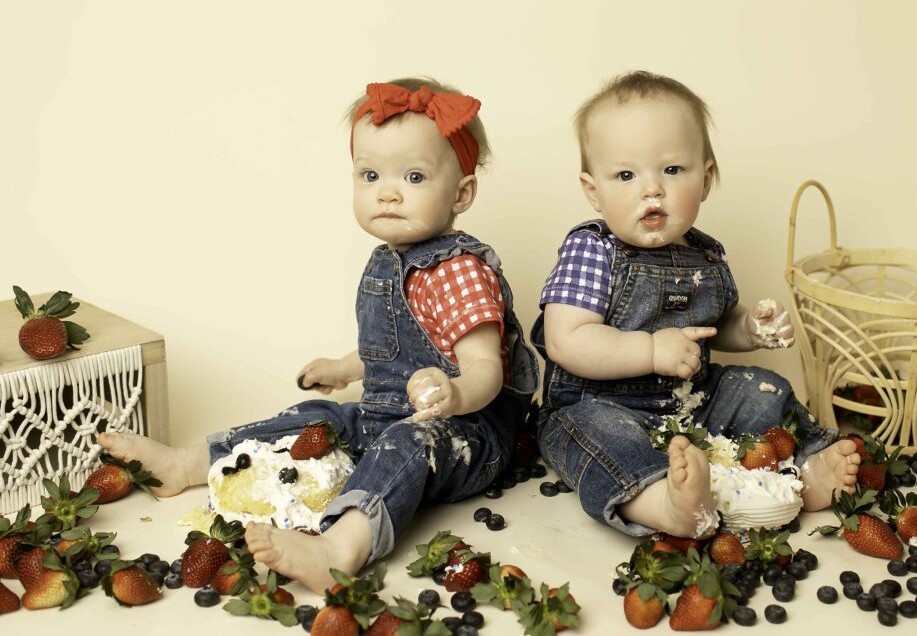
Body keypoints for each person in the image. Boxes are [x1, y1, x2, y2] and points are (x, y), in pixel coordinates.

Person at [100, 77, 538, 592]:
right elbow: (391, 347)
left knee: (406, 444)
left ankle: (339, 547)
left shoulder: (459, 269)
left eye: (414, 176)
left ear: (461, 193)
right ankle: (185, 464)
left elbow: (487, 366)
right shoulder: (387, 261)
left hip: (465, 435)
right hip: (385, 415)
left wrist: (457, 391)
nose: (388, 191)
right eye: (370, 174)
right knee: (315, 419)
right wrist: (346, 366)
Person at [531, 70, 859, 541]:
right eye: (625, 175)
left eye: (671, 170)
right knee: (594, 437)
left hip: (693, 405)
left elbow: (713, 329)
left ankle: (804, 470)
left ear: (705, 179)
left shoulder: (705, 253)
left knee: (758, 387)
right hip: (601, 404)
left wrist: (747, 329)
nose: (651, 189)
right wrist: (649, 351)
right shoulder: (592, 250)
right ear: (593, 191)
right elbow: (567, 339)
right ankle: (662, 502)